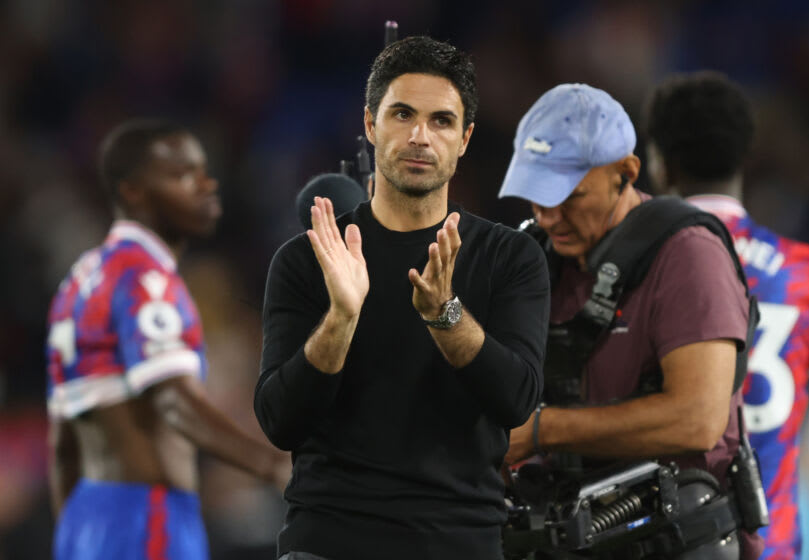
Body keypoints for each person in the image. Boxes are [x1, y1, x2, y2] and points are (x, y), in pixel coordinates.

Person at [254, 36, 550, 560]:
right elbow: (281, 421)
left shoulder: (511, 257)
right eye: (402, 114)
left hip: (458, 541)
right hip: (328, 541)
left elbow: (515, 400)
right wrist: (342, 317)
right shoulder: (307, 259)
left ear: (465, 138)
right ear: (371, 125)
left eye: (441, 121)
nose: (419, 136)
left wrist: (445, 315)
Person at [499, 83, 763, 559]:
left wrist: (541, 430)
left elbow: (698, 420)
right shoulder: (538, 255)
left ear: (626, 173)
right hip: (571, 533)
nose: (549, 216)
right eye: (536, 196)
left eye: (570, 196)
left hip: (678, 538)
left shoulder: (688, 254)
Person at [46, 120, 290, 560]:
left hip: (86, 522)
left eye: (203, 171)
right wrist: (275, 466)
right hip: (147, 515)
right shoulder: (145, 277)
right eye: (182, 175)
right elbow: (172, 401)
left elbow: (64, 441)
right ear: (133, 192)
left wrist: (72, 530)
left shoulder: (78, 284)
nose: (205, 184)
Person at [644, 71, 809, 559]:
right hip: (773, 546)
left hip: (663, 542)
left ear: (658, 162)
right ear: (745, 158)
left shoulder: (633, 267)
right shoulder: (808, 274)